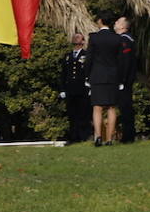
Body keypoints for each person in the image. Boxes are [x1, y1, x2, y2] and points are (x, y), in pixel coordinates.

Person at [85, 12, 123, 146]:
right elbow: (120, 60)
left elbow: (89, 58)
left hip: (97, 75)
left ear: (100, 21)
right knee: (111, 107)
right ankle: (110, 138)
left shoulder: (94, 38)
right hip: (113, 76)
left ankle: (98, 137)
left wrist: (87, 75)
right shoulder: (117, 38)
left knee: (97, 107)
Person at [57, 33, 90, 143]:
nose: (76, 38)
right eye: (75, 36)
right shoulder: (67, 56)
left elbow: (90, 72)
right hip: (70, 90)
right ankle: (73, 137)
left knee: (83, 114)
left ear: (83, 41)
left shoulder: (87, 55)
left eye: (79, 36)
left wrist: (90, 86)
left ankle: (83, 137)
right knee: (72, 115)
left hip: (82, 90)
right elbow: (63, 74)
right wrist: (62, 89)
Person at [115, 16, 138, 143]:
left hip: (124, 81)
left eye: (118, 22)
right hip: (124, 80)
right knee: (124, 108)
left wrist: (122, 80)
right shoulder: (123, 39)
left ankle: (128, 136)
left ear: (123, 26)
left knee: (125, 108)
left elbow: (125, 62)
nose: (115, 23)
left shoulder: (125, 40)